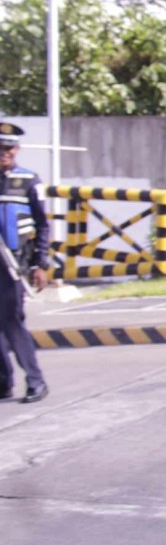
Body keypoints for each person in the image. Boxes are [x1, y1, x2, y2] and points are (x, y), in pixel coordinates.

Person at [0, 122, 50, 404]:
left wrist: (40, 264)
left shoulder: (29, 180)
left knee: (12, 322)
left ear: (16, 149)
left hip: (13, 267)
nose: (3, 153)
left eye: (8, 148)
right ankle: (3, 381)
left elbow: (43, 225)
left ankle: (36, 381)